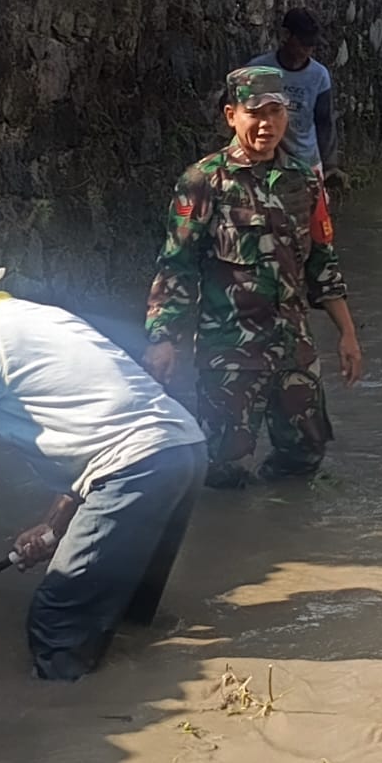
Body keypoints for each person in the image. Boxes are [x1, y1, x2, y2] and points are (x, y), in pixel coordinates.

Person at [0, 243, 208, 681]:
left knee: (56, 620)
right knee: (131, 613)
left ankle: (70, 727)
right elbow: (99, 429)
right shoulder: (44, 317)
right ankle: (145, 686)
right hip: (182, 451)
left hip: (137, 467)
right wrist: (55, 526)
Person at [145, 65, 363, 489]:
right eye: (255, 113)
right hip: (230, 352)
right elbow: (177, 263)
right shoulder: (203, 182)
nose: (266, 124)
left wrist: (348, 334)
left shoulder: (303, 181)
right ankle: (229, 547)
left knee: (305, 454)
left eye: (276, 113)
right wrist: (163, 339)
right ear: (232, 115)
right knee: (222, 468)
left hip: (292, 349)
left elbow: (322, 261)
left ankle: (288, 535)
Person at [248, 7, 341, 186]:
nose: (308, 50)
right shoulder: (258, 70)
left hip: (306, 164)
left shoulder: (319, 75)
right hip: (266, 164)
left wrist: (330, 164)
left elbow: (324, 121)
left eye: (312, 45)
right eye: (303, 43)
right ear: (285, 36)